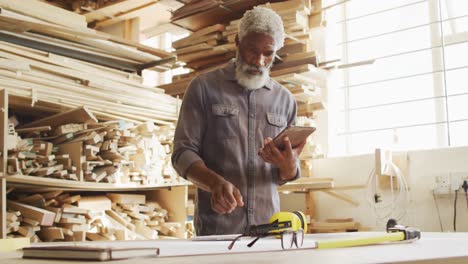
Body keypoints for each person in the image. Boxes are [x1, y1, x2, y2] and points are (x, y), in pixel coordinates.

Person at [171, 7, 306, 235]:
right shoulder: (204, 88)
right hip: (217, 232)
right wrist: (214, 183)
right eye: (252, 50)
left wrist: (290, 168)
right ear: (237, 42)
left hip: (269, 232)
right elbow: (182, 154)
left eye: (268, 53)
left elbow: (283, 174)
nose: (259, 61)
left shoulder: (285, 101)